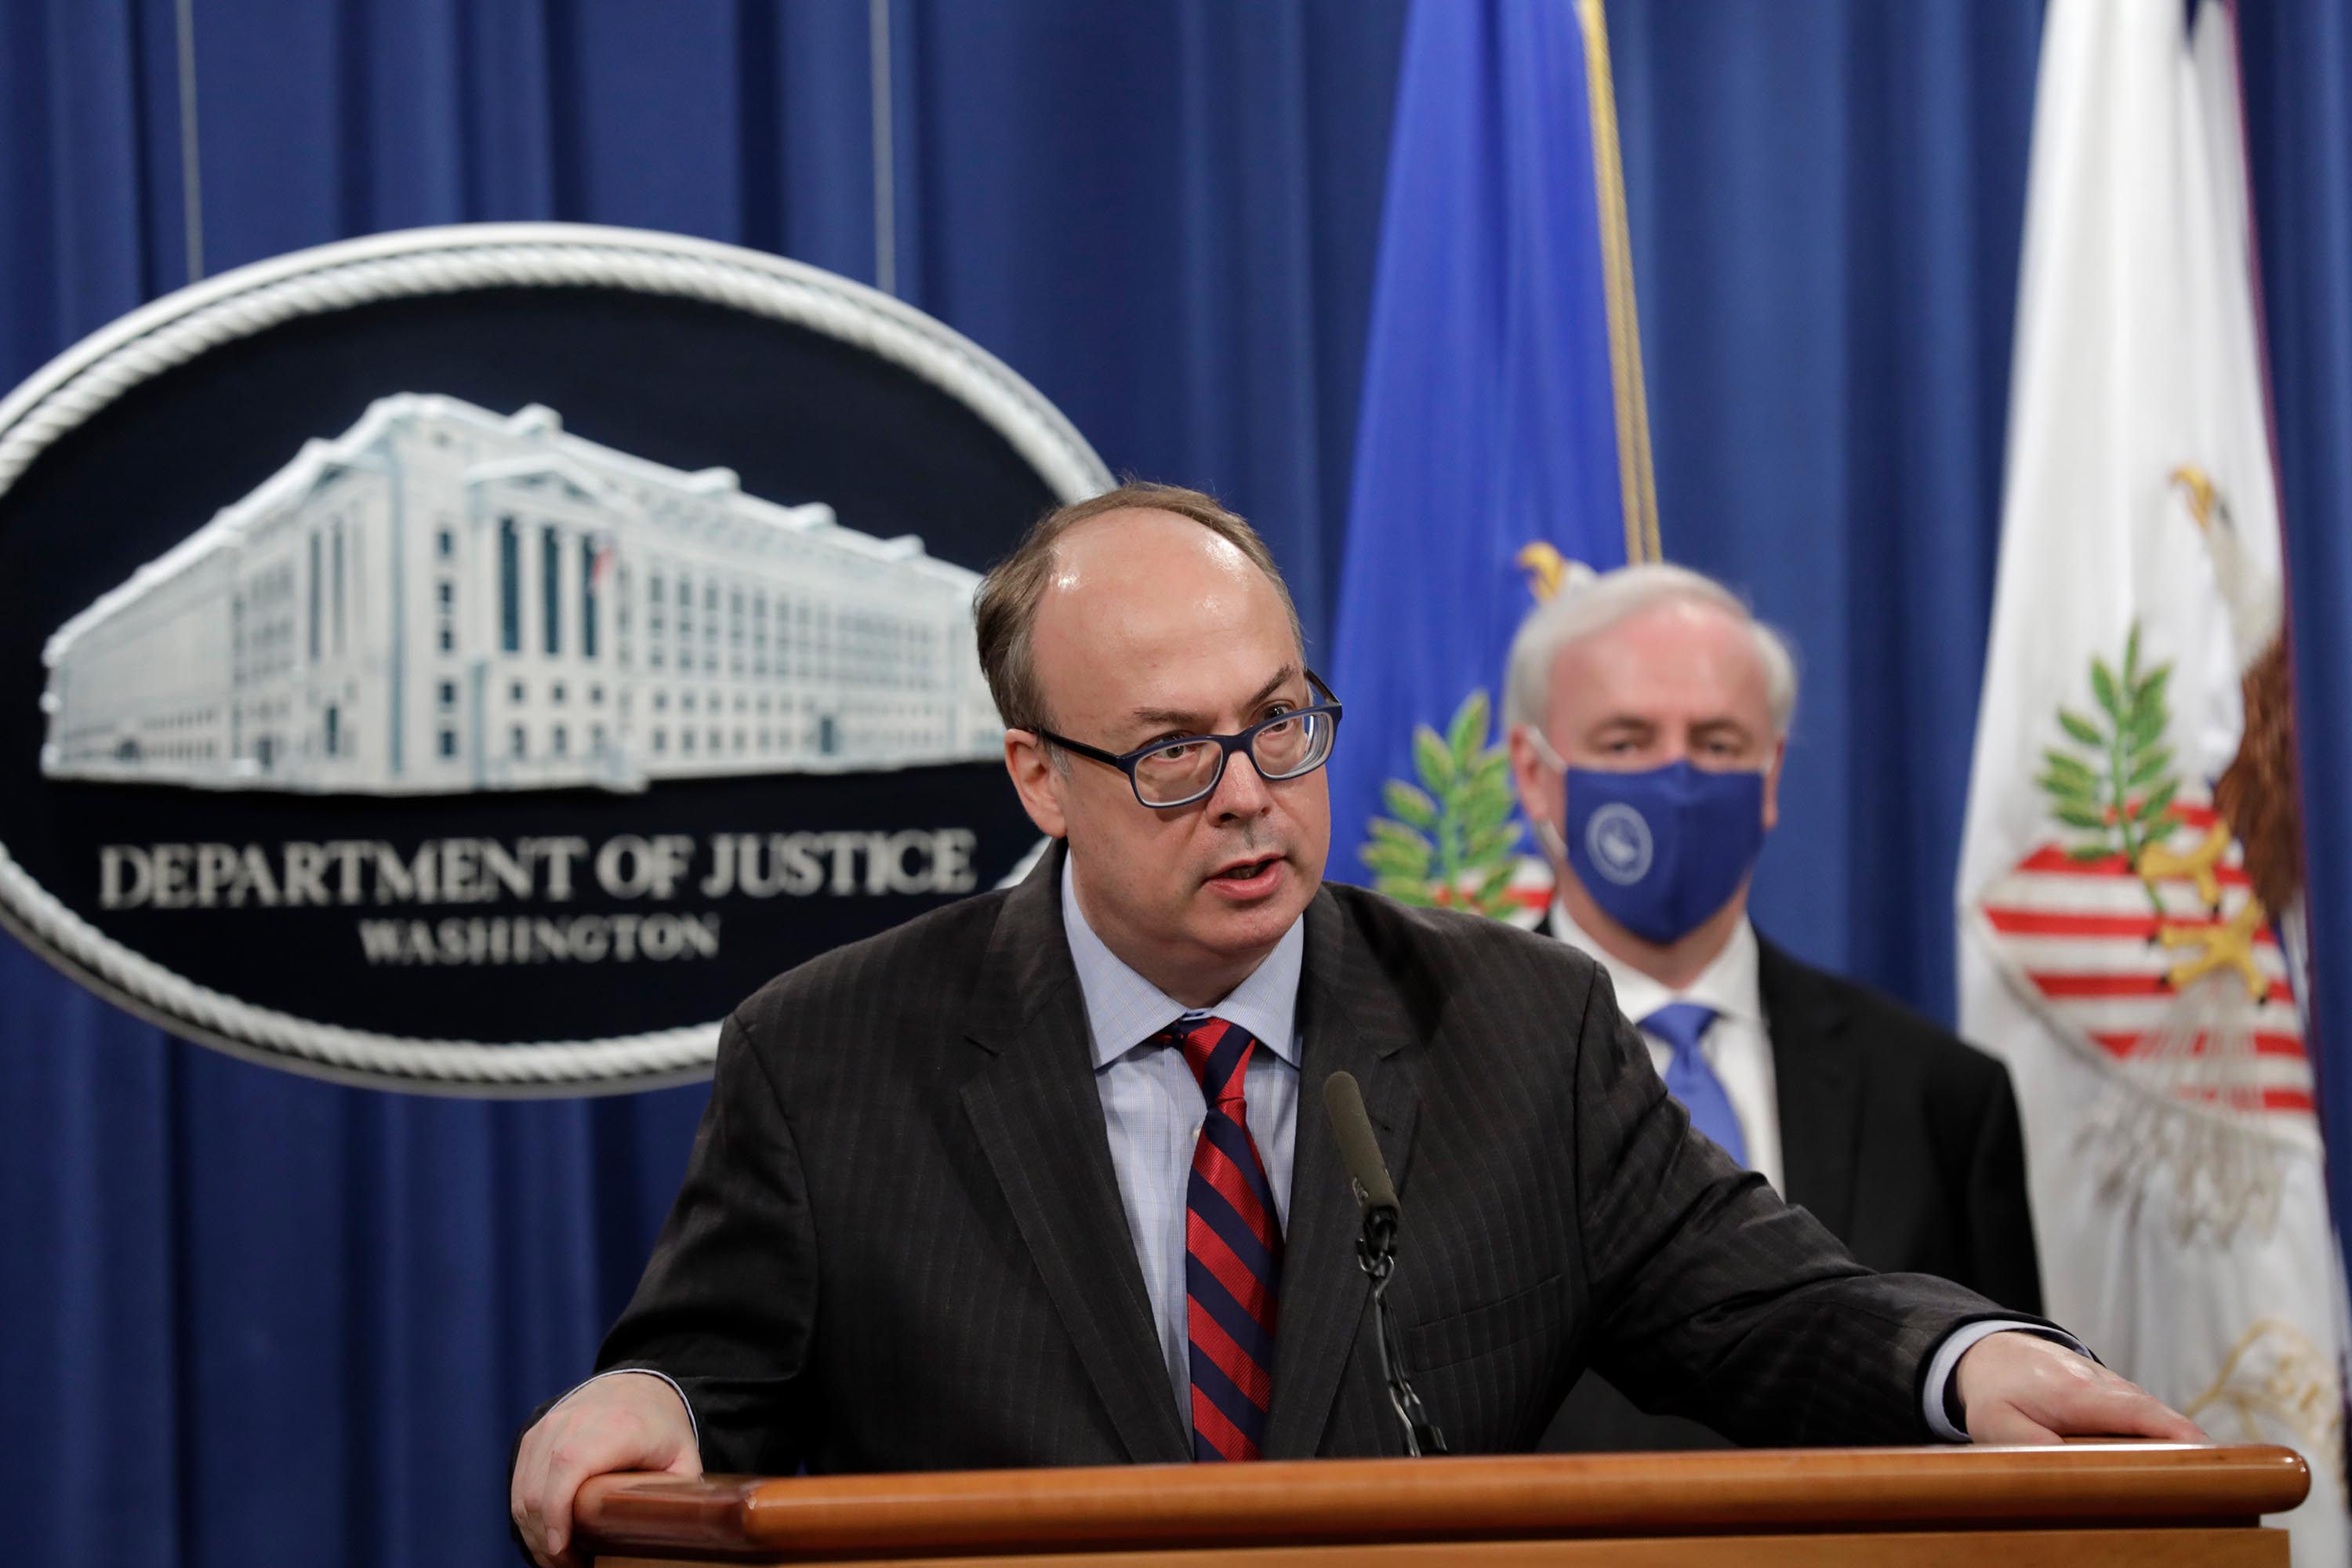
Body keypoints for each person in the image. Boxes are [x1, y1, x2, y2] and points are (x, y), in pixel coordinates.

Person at [510, 484, 2196, 1568]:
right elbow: (712, 1376)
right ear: (1038, 774)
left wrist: (1969, 1362)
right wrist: (645, 1395)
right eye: (1173, 752)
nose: (1251, 801)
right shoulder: (835, 1057)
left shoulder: (1517, 1030)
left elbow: (1766, 1301)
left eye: (1281, 724)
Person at [1499, 564, 2045, 1454]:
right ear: (1536, 771)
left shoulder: (1940, 1094)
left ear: (1771, 772)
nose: (1677, 779)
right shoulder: (1432, 1071)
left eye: (1716, 742)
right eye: (1628, 741)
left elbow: (2009, 1444)